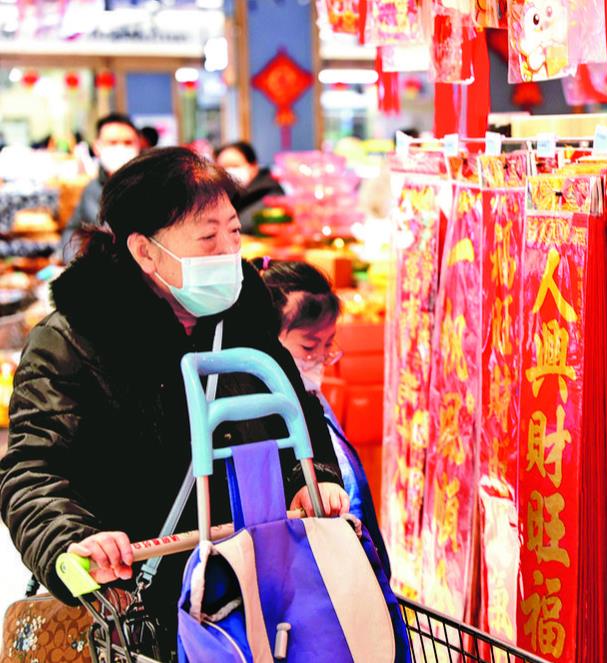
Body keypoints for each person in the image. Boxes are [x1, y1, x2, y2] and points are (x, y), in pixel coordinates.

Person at [0, 148, 348, 649]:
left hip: (252, 600)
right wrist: (72, 539)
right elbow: (32, 469)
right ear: (144, 251)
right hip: (138, 611)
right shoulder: (72, 341)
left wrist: (311, 480)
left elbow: (297, 414)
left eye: (234, 232)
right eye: (208, 237)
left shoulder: (246, 322)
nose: (229, 251)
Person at [254, 257, 391, 573]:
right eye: (308, 347)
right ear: (268, 341)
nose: (319, 358)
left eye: (328, 345)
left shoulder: (314, 403)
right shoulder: (262, 414)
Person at [62, 113, 142, 262]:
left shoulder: (155, 185)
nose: (120, 148)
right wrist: (75, 263)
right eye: (112, 142)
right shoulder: (91, 190)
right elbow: (73, 230)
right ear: (97, 147)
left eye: (128, 142)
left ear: (139, 145)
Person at [215, 141, 285, 231]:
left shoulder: (271, 194)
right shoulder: (223, 196)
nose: (228, 172)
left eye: (234, 165)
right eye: (222, 168)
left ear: (253, 166)